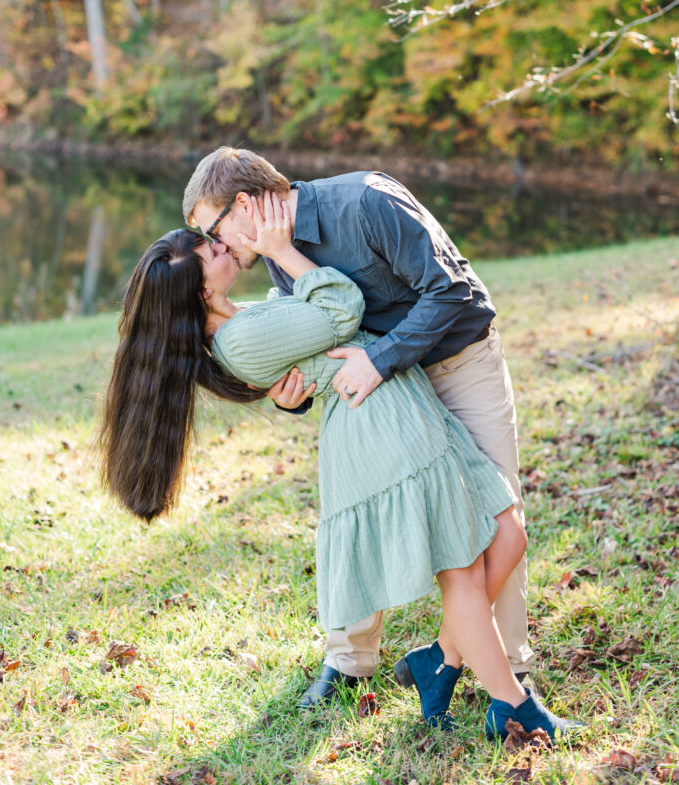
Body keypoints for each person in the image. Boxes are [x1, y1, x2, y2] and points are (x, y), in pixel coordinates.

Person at [98, 197, 581, 742]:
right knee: (464, 568)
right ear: (203, 292)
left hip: (403, 404)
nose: (223, 244)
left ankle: (440, 661)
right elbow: (340, 307)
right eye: (212, 248)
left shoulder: (245, 318)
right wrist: (282, 249)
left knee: (507, 534)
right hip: (382, 425)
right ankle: (513, 708)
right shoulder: (240, 337)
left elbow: (307, 336)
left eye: (213, 236)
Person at [181, 147, 535, 709]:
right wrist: (290, 392)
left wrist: (381, 358)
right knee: (361, 505)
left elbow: (452, 291)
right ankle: (349, 659)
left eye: (216, 231)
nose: (222, 249)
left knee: (498, 510)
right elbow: (308, 328)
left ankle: (506, 663)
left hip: (458, 362)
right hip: (381, 389)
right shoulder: (275, 249)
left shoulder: (367, 200)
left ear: (245, 204)